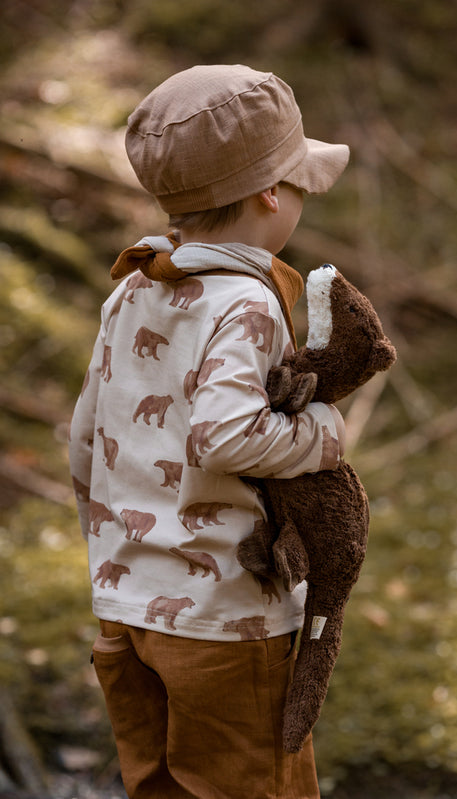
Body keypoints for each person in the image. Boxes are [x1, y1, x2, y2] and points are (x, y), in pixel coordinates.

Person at [69, 64, 349, 799]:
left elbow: (85, 434)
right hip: (226, 624)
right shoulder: (245, 303)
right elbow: (226, 437)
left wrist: (112, 555)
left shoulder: (134, 287)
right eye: (299, 183)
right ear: (269, 192)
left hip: (128, 609)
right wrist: (320, 433)